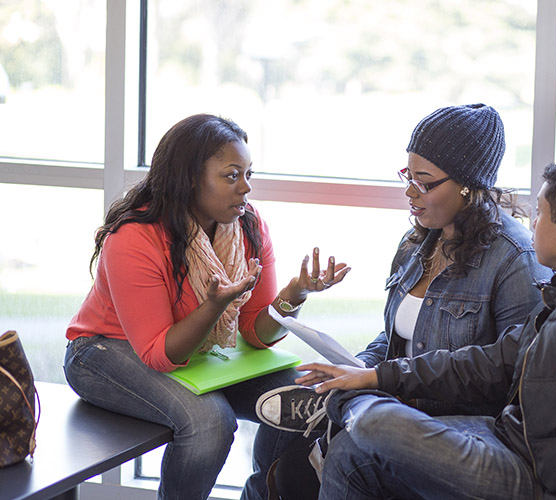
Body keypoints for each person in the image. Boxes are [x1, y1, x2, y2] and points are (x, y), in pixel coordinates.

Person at [259, 153, 556, 499]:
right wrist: (377, 374)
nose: (532, 227)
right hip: (515, 439)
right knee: (352, 455)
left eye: (540, 215)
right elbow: (493, 358)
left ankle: (340, 407)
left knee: (378, 422)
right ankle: (348, 405)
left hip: (542, 477)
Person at [260, 103, 552, 498]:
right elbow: (395, 339)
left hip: (462, 428)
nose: (410, 193)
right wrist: (357, 368)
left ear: (468, 184)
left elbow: (512, 377)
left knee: (347, 450)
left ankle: (342, 408)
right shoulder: (418, 243)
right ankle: (342, 403)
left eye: (424, 182)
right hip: (401, 402)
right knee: (280, 450)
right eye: (407, 177)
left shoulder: (515, 259)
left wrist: (378, 382)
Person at [64, 113, 350, 500]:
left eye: (249, 174)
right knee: (210, 422)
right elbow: (160, 354)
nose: (245, 188)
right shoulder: (135, 238)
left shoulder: (248, 226)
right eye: (232, 176)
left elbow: (255, 333)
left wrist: (295, 293)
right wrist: (216, 305)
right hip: (103, 351)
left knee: (309, 401)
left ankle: (260, 494)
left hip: (196, 351)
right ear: (189, 179)